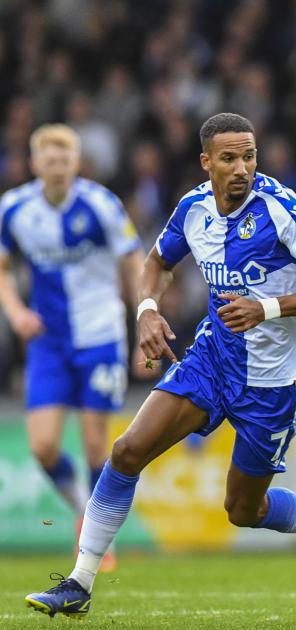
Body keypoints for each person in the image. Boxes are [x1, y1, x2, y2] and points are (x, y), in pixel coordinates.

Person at [25, 113, 296, 618]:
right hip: (212, 359)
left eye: (249, 156)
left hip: (272, 382)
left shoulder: (284, 209)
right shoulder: (193, 208)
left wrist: (266, 307)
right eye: (229, 158)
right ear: (207, 163)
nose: (241, 167)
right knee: (127, 449)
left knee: (244, 510)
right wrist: (147, 311)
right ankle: (80, 581)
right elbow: (156, 262)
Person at [0, 124, 146, 572]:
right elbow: (2, 268)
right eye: (49, 160)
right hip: (47, 341)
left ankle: (95, 539)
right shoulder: (15, 208)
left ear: (76, 164)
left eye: (65, 160)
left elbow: (132, 261)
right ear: (34, 163)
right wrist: (16, 312)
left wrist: (143, 320)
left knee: (95, 447)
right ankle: (86, 511)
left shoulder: (102, 205)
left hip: (100, 335)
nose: (57, 167)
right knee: (43, 447)